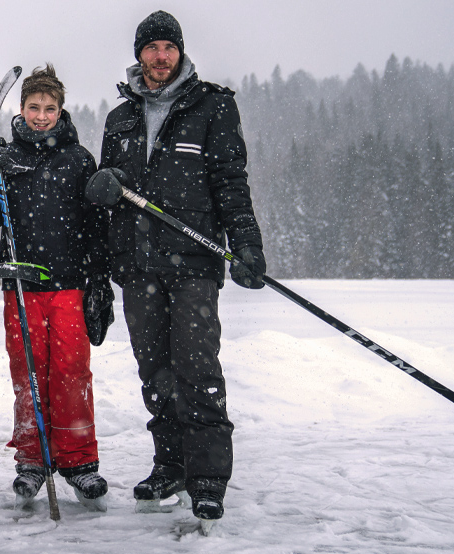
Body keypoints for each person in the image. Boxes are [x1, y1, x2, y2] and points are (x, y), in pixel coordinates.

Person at [86, 10, 266, 526]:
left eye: (169, 47)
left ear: (180, 52)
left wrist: (246, 244)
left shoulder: (212, 106)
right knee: (155, 371)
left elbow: (231, 182)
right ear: (140, 54)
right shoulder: (120, 118)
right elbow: (109, 192)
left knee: (197, 368)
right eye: (152, 48)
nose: (160, 56)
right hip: (138, 266)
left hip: (192, 262)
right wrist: (102, 190)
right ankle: (169, 464)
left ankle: (207, 477)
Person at [0, 65, 112, 511]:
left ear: (61, 110)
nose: (41, 116)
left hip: (68, 283)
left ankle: (77, 460)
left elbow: (96, 226)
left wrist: (99, 282)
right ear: (21, 109)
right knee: (28, 373)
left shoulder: (78, 159)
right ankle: (33, 459)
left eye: (49, 108)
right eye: (34, 107)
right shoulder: (6, 157)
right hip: (20, 284)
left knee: (71, 372)